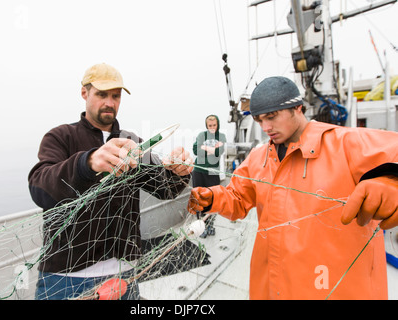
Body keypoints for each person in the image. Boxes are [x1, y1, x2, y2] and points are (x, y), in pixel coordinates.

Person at [187, 76, 398, 300]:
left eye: (272, 116)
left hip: (336, 289)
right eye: (259, 120)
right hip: (275, 286)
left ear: (297, 108)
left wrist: (391, 180)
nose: (266, 127)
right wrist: (211, 198)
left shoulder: (345, 142)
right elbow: (237, 197)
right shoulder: (258, 157)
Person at [28, 63, 193, 300]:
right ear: (84, 93)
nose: (109, 102)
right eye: (101, 94)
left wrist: (180, 171)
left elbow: (164, 188)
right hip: (66, 279)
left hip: (124, 276)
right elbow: (39, 187)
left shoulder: (132, 141)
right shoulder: (60, 136)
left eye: (115, 96)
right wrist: (87, 163)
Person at [192, 114, 226, 237]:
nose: (212, 127)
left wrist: (204, 147)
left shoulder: (221, 137)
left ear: (218, 125)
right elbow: (196, 151)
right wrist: (211, 149)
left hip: (213, 172)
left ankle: (210, 225)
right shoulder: (201, 135)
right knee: (199, 199)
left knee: (212, 200)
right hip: (199, 170)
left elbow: (219, 152)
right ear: (206, 125)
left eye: (214, 125)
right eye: (209, 125)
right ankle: (201, 227)